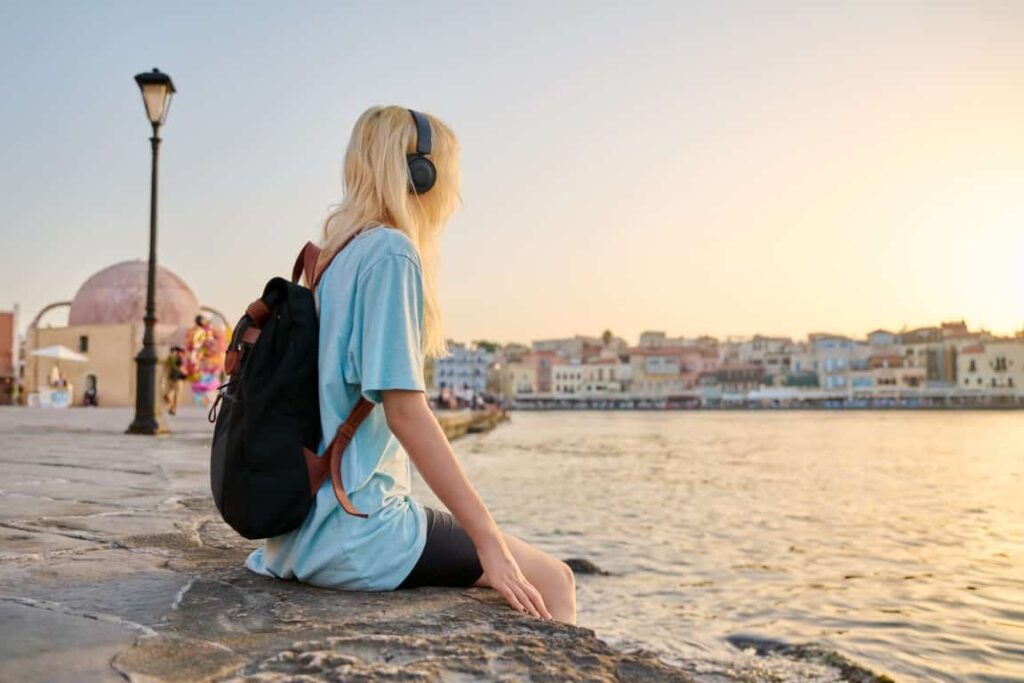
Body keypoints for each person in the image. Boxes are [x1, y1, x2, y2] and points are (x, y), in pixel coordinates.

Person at [245, 106, 575, 624]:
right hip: (359, 533)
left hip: (300, 533)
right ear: (421, 175)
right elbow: (405, 411)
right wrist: (490, 544)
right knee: (555, 579)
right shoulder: (390, 254)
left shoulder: (328, 257)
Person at [163, 346, 187, 416]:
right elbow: (167, 367)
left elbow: (184, 368)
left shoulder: (181, 359)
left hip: (178, 380)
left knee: (176, 395)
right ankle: (171, 406)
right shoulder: (170, 358)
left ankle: (173, 409)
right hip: (170, 379)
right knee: (166, 394)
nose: (176, 353)